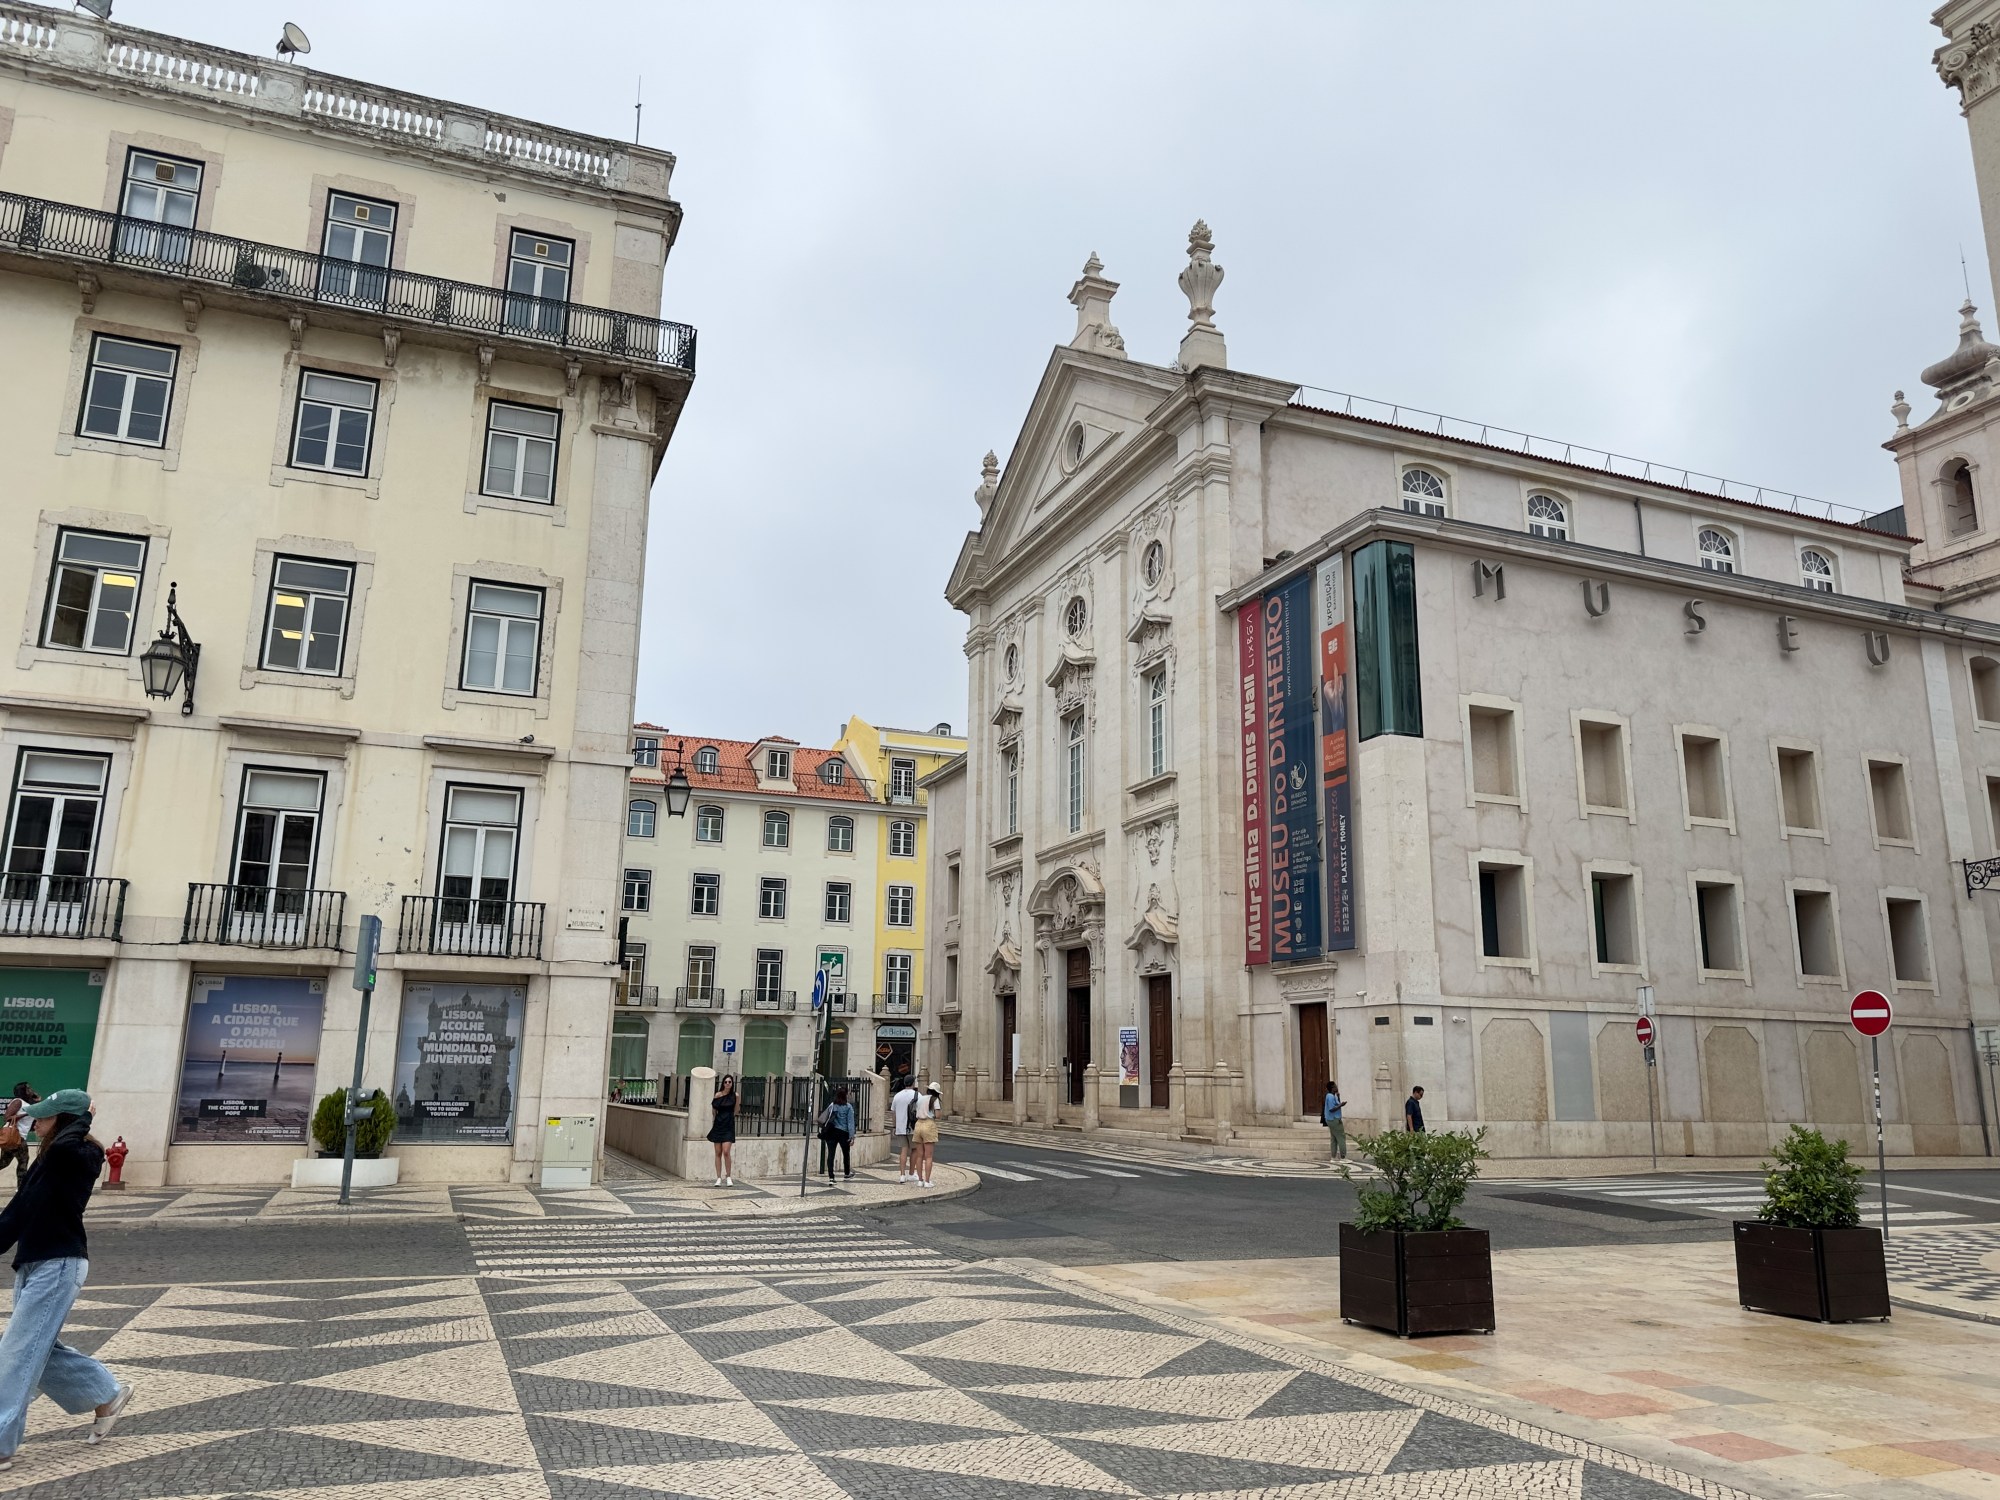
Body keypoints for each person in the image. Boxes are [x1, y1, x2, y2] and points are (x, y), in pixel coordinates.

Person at [0, 1089, 133, 1471]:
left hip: (60, 1264)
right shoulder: (48, 1158)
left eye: (44, 1116)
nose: (35, 1121)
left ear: (67, 1121)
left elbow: (67, 1146)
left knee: (17, 1351)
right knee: (35, 1347)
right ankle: (107, 1394)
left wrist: (82, 1119)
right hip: (34, 1263)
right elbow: (17, 1212)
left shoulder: (79, 1154)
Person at [0, 1086, 40, 1190]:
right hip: (17, 1137)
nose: (31, 1089)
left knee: (4, 1162)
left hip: (16, 1137)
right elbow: (7, 1117)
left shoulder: (27, 1103)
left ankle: (21, 1188)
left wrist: (36, 1101)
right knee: (23, 1161)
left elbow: (27, 1125)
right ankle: (22, 1188)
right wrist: (27, 1113)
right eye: (28, 1088)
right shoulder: (18, 1101)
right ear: (23, 1091)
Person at [817, 1086, 856, 1181]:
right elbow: (851, 1123)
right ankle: (847, 1173)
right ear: (845, 1095)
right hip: (844, 1133)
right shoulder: (848, 1107)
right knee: (846, 1154)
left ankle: (831, 1176)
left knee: (831, 1154)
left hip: (831, 1132)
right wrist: (852, 1136)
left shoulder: (832, 1105)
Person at [910, 1081, 942, 1188]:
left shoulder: (921, 1098)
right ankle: (927, 1181)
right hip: (929, 1124)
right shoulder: (935, 1100)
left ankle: (920, 1180)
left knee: (919, 1155)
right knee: (928, 1156)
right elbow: (937, 1115)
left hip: (918, 1124)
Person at [707, 1075, 737, 1185]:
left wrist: (730, 1118)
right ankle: (718, 1177)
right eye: (726, 1082)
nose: (728, 1084)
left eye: (729, 1082)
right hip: (719, 1124)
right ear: (723, 1083)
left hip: (729, 1124)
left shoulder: (735, 1096)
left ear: (732, 1083)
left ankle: (728, 1176)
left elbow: (736, 1110)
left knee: (726, 1151)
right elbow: (714, 1110)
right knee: (718, 1152)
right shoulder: (718, 1095)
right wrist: (715, 1121)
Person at [889, 1077, 918, 1183]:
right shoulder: (917, 1095)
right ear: (913, 1083)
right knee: (914, 1150)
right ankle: (911, 1173)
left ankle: (902, 1175)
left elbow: (893, 1113)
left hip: (900, 1127)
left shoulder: (897, 1096)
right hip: (913, 1126)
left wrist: (894, 1126)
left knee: (903, 1150)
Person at [1322, 1080, 1346, 1160]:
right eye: (1335, 1086)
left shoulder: (1332, 1096)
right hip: (1334, 1119)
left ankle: (1333, 1157)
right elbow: (1332, 1109)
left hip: (1330, 1119)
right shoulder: (1330, 1097)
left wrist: (1338, 1097)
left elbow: (1336, 1103)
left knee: (1334, 1138)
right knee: (1341, 1137)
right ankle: (1343, 1157)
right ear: (1332, 1088)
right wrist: (1341, 1105)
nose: (1337, 1087)